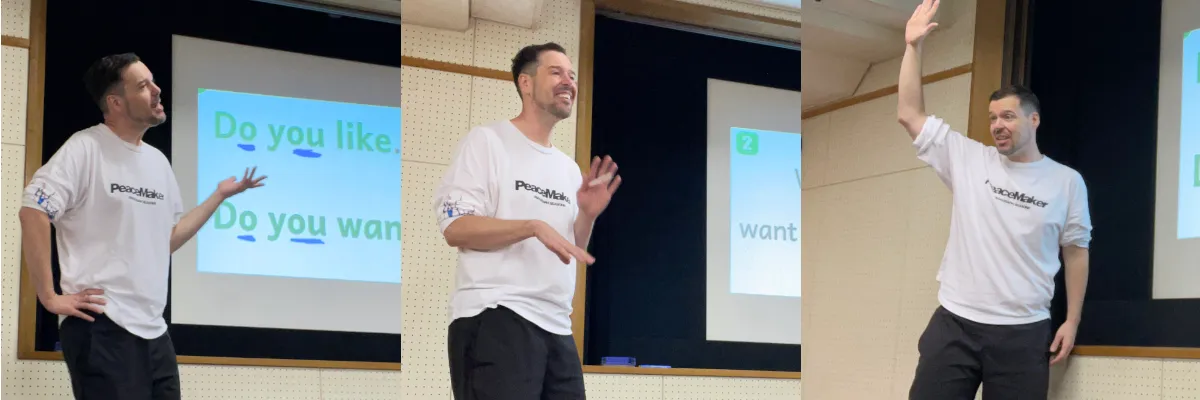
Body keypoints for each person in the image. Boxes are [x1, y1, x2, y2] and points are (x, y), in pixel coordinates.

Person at [19, 53, 266, 400]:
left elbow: (165, 240)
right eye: (143, 85)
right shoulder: (86, 148)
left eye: (153, 81)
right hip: (102, 327)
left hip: (154, 331)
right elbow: (33, 209)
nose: (156, 90)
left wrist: (218, 197)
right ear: (115, 102)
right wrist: (48, 296)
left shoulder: (157, 162)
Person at [897, 1, 1092, 398]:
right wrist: (912, 47)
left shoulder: (1066, 182)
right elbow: (909, 114)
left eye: (1007, 116)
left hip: (1023, 333)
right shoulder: (968, 158)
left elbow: (1076, 252)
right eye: (991, 118)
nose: (997, 126)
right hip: (956, 323)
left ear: (1034, 119)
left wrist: (1071, 321)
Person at [433, 42, 620, 400]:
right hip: (498, 316)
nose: (568, 82)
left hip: (557, 328)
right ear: (526, 83)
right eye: (556, 72)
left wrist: (587, 215)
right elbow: (457, 228)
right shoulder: (487, 142)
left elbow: (569, 248)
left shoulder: (566, 167)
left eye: (571, 75)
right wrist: (531, 226)